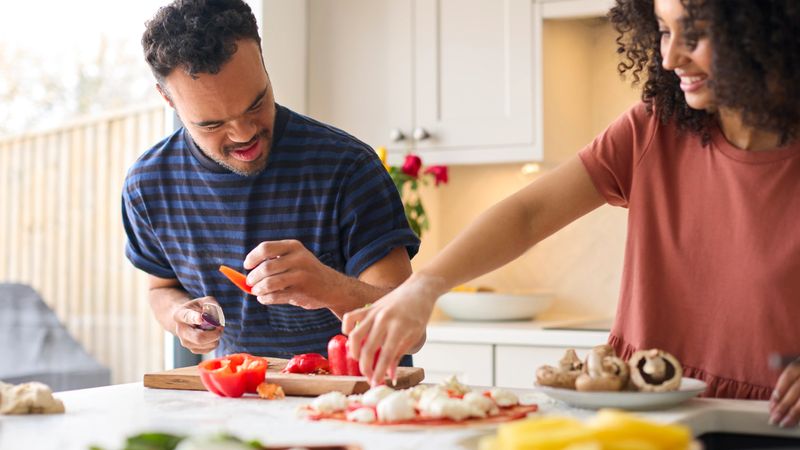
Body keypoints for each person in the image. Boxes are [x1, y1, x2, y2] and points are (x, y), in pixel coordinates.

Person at [344, 0, 800, 425]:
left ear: (760, 29)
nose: (670, 57)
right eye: (663, 31)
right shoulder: (654, 127)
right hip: (635, 412)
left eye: (695, 33)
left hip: (766, 422)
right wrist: (424, 287)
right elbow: (529, 213)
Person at [122, 0, 421, 363]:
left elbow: (413, 331)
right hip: (240, 402)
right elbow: (161, 287)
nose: (244, 133)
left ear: (262, 60)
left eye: (256, 103)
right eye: (212, 124)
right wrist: (179, 316)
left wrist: (329, 287)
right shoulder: (149, 184)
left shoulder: (348, 167)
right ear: (167, 99)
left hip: (360, 404)